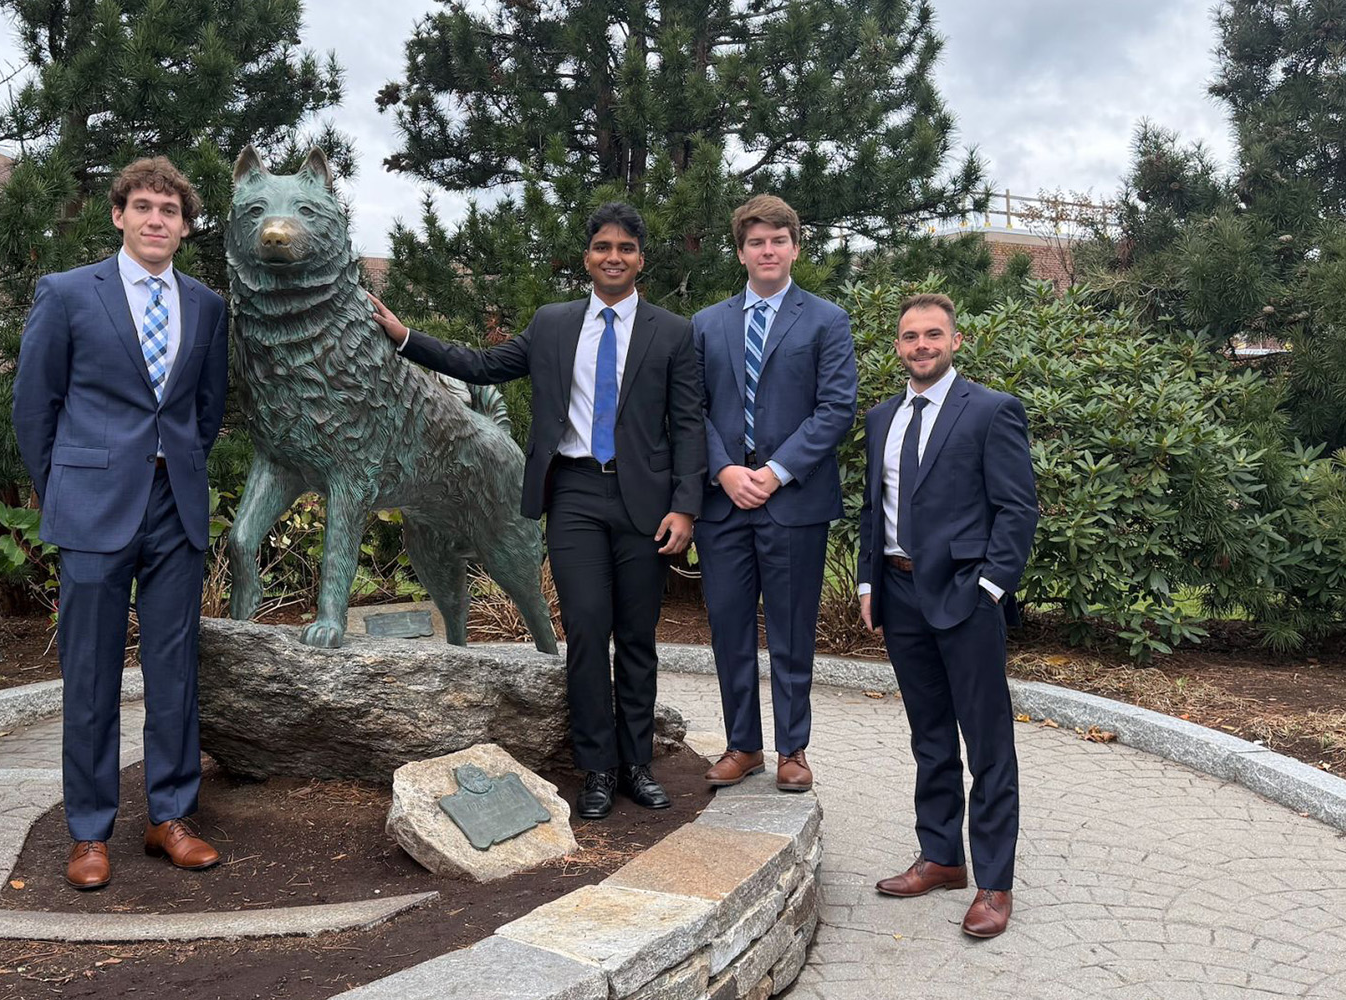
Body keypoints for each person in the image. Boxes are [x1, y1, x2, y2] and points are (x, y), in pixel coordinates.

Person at [367, 203, 706, 820]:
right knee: (585, 631)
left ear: (640, 259)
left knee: (635, 638)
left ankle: (636, 765)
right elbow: (483, 364)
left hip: (645, 504)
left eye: (625, 248)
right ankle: (596, 768)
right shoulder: (553, 324)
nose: (613, 257)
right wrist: (406, 338)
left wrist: (685, 508)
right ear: (587, 258)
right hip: (574, 493)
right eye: (602, 246)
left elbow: (687, 427)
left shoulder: (672, 333)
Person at [12, 157, 230, 890]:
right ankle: (89, 831)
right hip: (92, 509)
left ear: (186, 226)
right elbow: (33, 406)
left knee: (174, 675)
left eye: (170, 211)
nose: (156, 220)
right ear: (119, 215)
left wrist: (183, 467)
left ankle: (169, 817)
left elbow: (205, 410)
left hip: (176, 509)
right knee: (92, 674)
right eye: (143, 206)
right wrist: (62, 488)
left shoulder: (207, 305)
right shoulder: (69, 293)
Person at [856, 292, 1038, 938]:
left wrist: (991, 586)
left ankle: (994, 882)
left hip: (965, 596)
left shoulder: (990, 411)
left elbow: (1018, 509)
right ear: (898, 347)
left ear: (955, 341)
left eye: (933, 334)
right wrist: (865, 580)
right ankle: (940, 857)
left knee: (987, 744)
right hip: (900, 596)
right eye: (910, 336)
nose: (921, 345)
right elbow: (872, 509)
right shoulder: (882, 418)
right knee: (929, 737)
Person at [691, 194, 856, 792]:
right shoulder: (706, 325)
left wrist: (777, 470)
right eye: (756, 241)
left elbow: (835, 410)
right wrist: (726, 471)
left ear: (795, 247)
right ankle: (743, 746)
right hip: (723, 502)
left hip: (794, 502)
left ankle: (794, 750)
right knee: (729, 628)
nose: (768, 250)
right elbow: (691, 410)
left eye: (778, 240)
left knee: (791, 632)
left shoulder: (826, 320)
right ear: (741, 252)